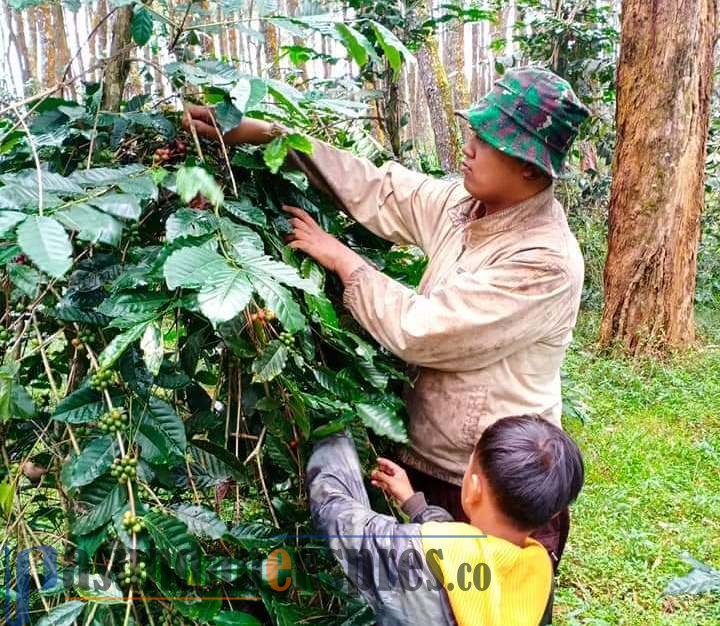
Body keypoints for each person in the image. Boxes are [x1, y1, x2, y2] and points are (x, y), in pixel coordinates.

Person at [184, 67, 590, 568]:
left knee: (493, 608)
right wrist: (271, 136)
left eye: (484, 142)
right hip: (430, 469)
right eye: (472, 133)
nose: (467, 148)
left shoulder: (543, 261)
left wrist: (342, 259)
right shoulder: (466, 206)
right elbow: (380, 190)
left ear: (529, 168)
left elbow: (420, 330)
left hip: (494, 491)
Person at [306, 415, 585, 625]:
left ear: (473, 488)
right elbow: (463, 548)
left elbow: (334, 512)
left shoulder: (410, 556)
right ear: (552, 514)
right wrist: (414, 503)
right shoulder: (537, 572)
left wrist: (330, 432)